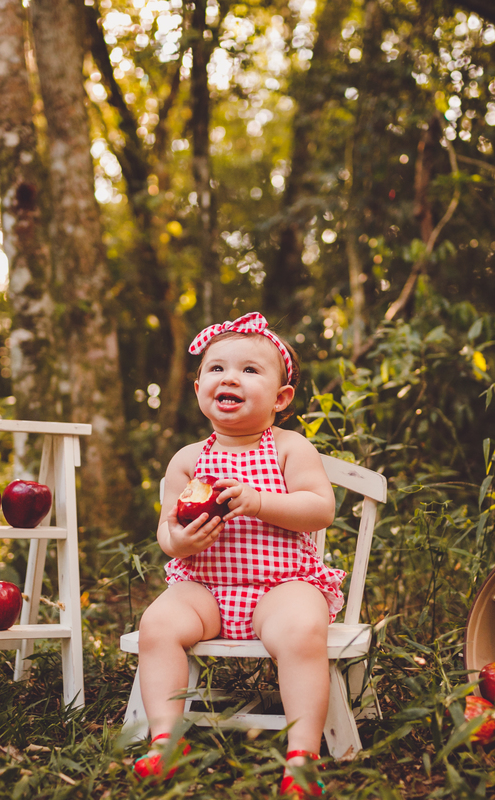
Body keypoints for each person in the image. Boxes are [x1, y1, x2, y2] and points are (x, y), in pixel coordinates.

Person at [133, 312, 343, 797]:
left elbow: (320, 508)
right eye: (217, 368)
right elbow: (167, 527)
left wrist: (261, 501)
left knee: (301, 630)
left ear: (281, 397)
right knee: (157, 626)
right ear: (199, 387)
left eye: (250, 370)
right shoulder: (188, 459)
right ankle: (165, 739)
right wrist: (179, 542)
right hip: (204, 588)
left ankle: (303, 756)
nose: (230, 377)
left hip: (282, 585)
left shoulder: (290, 448)